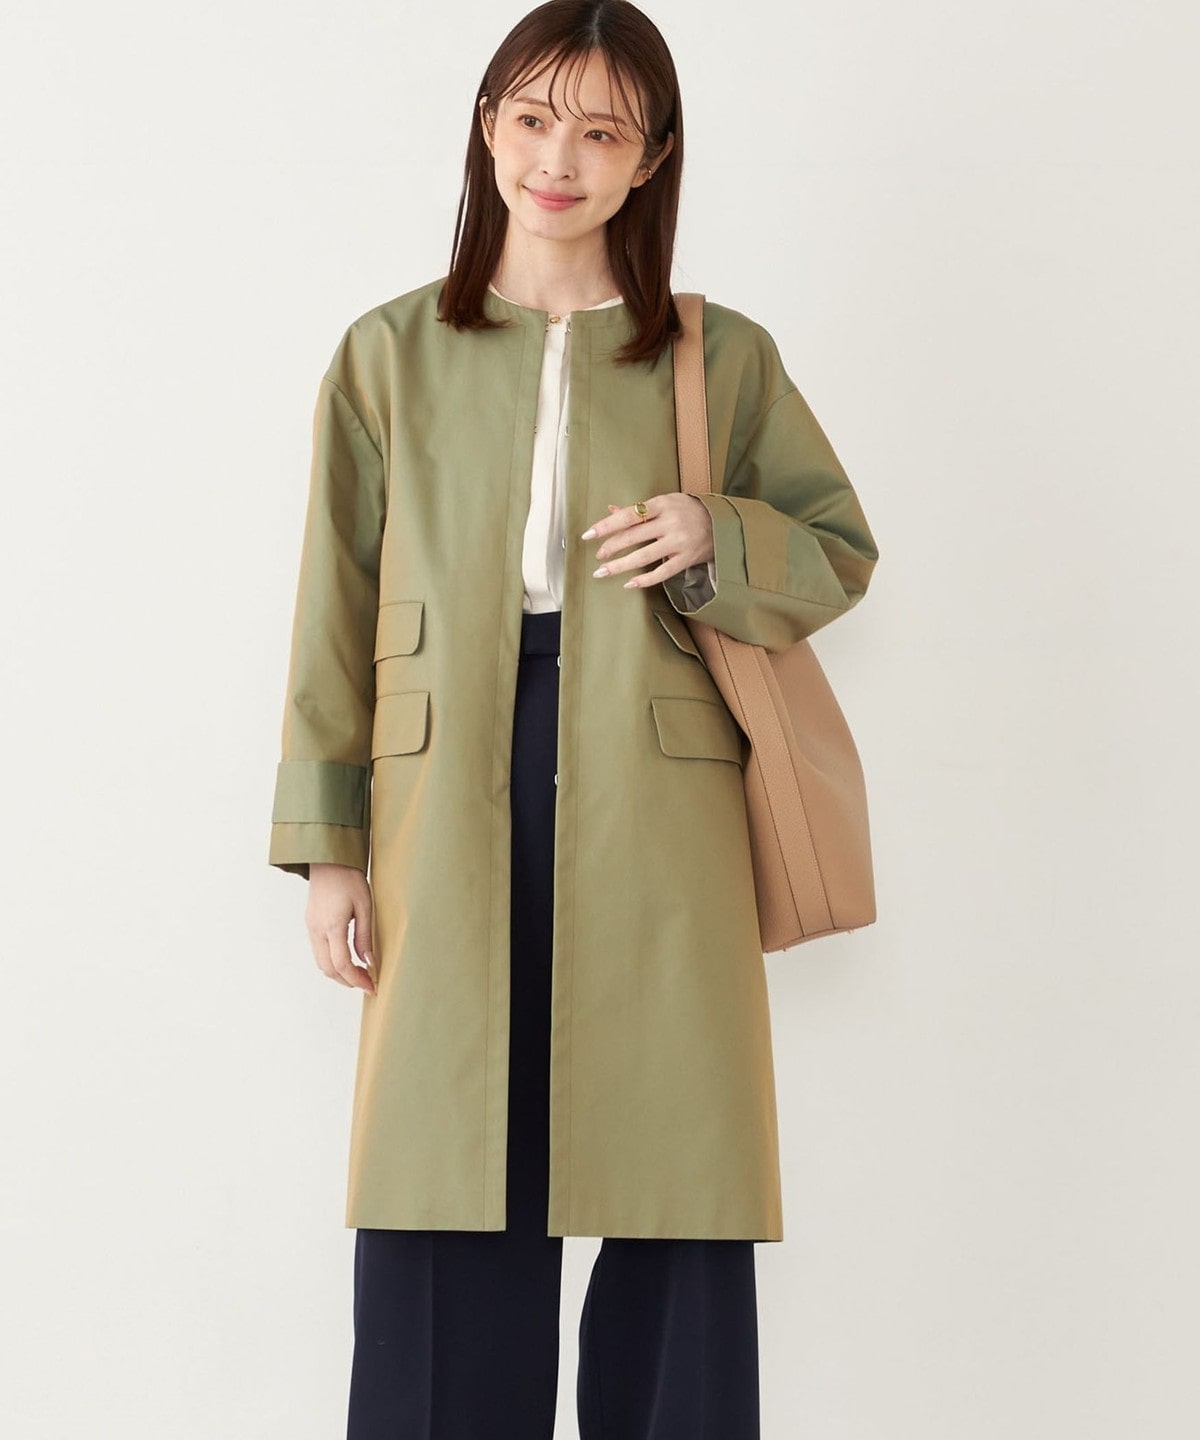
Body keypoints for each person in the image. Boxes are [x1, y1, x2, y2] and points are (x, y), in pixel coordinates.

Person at [267, 2, 879, 1435]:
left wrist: (714, 530)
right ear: (489, 123)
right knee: (445, 1172)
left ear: (650, 157)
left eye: (602, 132)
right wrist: (330, 846)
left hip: (661, 796)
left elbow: (839, 550)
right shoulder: (388, 353)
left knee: (674, 1178)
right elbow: (334, 610)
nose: (559, 161)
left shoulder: (719, 356)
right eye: (536, 119)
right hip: (440, 796)